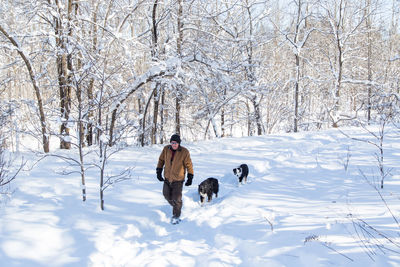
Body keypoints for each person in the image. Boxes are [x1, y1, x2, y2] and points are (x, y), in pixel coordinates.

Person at [156, 134, 194, 224]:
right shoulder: (166, 149)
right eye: (172, 143)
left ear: (179, 143)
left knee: (176, 198)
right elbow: (161, 160)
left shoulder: (184, 152)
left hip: (178, 179)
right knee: (166, 194)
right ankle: (177, 206)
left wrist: (190, 176)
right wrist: (159, 171)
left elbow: (189, 165)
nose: (174, 145)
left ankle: (176, 216)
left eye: (176, 143)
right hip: (167, 178)